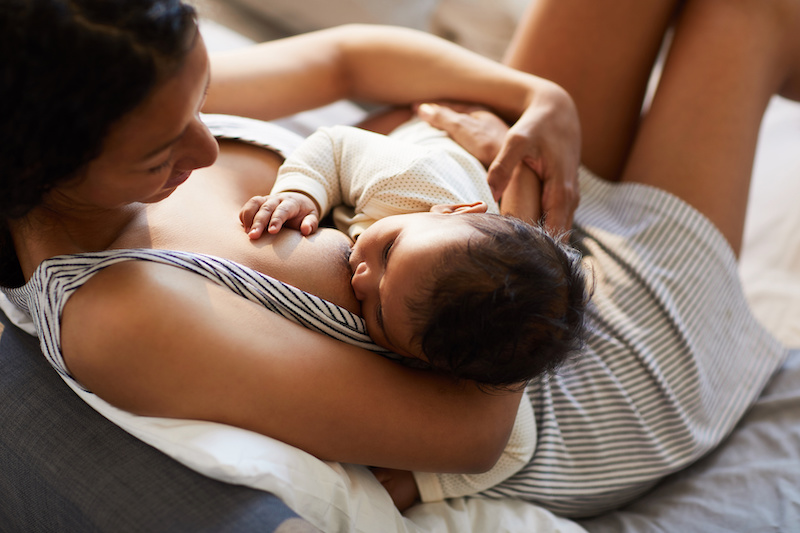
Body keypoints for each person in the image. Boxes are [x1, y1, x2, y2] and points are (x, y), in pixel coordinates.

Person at [0, 0, 790, 521]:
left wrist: (537, 98)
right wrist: (516, 236)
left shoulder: (135, 84)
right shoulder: (120, 312)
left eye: (201, 93)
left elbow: (345, 61)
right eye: (163, 153)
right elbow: (475, 433)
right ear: (39, 167)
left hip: (500, 218)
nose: (206, 144)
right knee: (748, 12)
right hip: (584, 369)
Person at [239, 119, 589, 387]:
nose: (361, 279)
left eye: (378, 314)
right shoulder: (410, 180)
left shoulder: (450, 344)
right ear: (453, 210)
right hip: (425, 134)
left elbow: (516, 445)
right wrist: (302, 193)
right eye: (389, 252)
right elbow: (336, 147)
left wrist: (422, 482)